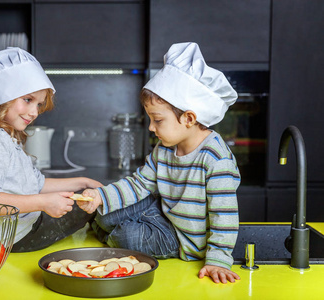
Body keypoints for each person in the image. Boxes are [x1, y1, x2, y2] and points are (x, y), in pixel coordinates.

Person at [78, 42, 241, 284]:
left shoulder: (216, 159)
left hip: (184, 239)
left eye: (157, 120)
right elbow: (140, 183)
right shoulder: (164, 147)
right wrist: (102, 196)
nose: (152, 128)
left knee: (129, 237)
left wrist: (218, 259)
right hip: (162, 213)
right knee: (105, 214)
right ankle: (107, 226)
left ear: (188, 118)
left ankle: (112, 233)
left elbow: (224, 216)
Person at [0, 47, 102, 252]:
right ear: (2, 97)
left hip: (9, 231)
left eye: (39, 105)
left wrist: (82, 182)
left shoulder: (2, 134)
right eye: (28, 100)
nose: (34, 112)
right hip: (12, 237)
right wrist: (43, 203)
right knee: (93, 207)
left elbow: (36, 184)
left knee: (86, 199)